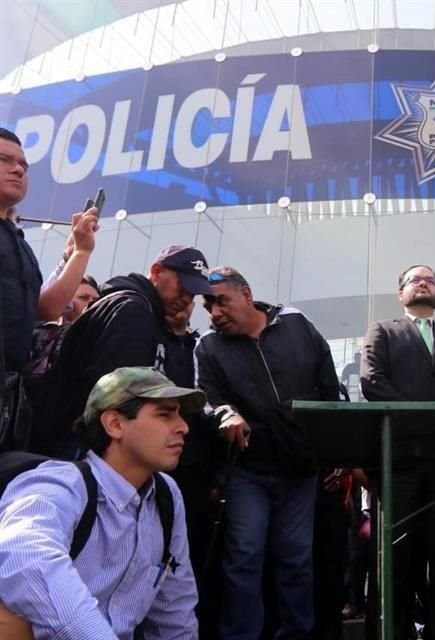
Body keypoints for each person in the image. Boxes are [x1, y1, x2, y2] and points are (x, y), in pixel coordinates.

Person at [0, 366, 203, 639]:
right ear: (115, 424)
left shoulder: (166, 495)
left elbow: (174, 609)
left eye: (179, 415)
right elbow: (24, 553)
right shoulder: (60, 484)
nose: (183, 427)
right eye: (164, 414)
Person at [195, 266, 340, 640]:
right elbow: (208, 398)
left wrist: (340, 449)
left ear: (246, 294)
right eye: (207, 305)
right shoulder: (208, 347)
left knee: (296, 560)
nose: (213, 313)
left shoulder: (296, 324)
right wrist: (225, 413)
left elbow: (329, 385)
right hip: (247, 472)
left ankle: (297, 634)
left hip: (301, 470)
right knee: (243, 558)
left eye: (221, 301)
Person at [360, 264, 435, 639]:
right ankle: (392, 630)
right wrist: (416, 416)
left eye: (430, 279)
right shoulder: (383, 330)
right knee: (397, 558)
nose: (424, 282)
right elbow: (371, 380)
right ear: (401, 293)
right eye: (415, 279)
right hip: (399, 460)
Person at [31, 245, 214, 458]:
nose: (187, 299)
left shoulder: (152, 316)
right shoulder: (133, 310)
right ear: (156, 272)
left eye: (193, 293)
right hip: (89, 449)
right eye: (183, 287)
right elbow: (113, 398)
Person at [0, 127, 98, 372]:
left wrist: (79, 252)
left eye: (24, 165)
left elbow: (45, 310)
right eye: (4, 160)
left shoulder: (19, 243)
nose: (19, 169)